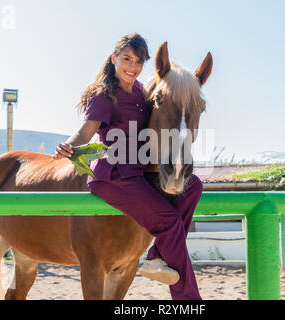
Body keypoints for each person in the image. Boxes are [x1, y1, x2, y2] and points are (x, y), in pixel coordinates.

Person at [53, 33, 203, 300]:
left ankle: (157, 254)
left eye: (138, 62)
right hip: (114, 175)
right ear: (114, 59)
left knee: (194, 186)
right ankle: (189, 299)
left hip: (138, 173)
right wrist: (68, 147)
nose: (132, 67)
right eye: (126, 59)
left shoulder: (142, 92)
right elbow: (86, 131)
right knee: (168, 222)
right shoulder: (104, 94)